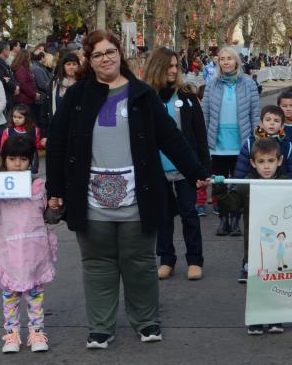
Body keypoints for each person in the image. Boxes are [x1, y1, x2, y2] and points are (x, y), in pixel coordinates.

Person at [45, 30, 209, 349]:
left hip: (138, 197)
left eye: (111, 52)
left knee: (139, 264)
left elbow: (171, 138)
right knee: (97, 265)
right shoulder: (77, 97)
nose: (106, 58)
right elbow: (58, 144)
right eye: (98, 54)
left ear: (120, 54)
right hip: (90, 199)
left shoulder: (142, 94)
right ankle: (100, 328)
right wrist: (55, 188)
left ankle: (147, 322)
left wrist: (196, 172)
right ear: (89, 61)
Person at [0, 135, 60, 353]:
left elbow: (51, 218)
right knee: (10, 296)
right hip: (9, 253)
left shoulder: (39, 187)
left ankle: (36, 332)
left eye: (23, 159)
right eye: (12, 158)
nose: (17, 164)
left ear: (31, 161)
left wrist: (54, 206)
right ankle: (12, 334)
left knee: (35, 295)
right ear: (3, 160)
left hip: (34, 253)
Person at [142, 47, 210, 282]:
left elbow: (200, 135)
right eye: (168, 66)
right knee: (163, 216)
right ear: (157, 67)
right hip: (156, 168)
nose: (173, 71)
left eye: (175, 66)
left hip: (185, 169)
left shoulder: (187, 96)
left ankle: (194, 260)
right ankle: (166, 260)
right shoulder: (145, 97)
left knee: (189, 213)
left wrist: (203, 169)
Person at [212, 137, 290, 334]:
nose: (266, 167)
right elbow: (230, 205)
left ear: (279, 161)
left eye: (271, 161)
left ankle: (275, 318)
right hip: (254, 246)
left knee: (276, 281)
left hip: (280, 246)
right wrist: (220, 189)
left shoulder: (287, 183)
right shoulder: (246, 183)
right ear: (253, 163)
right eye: (261, 162)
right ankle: (256, 319)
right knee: (256, 283)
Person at [203, 46, 260, 237]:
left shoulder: (249, 84)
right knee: (219, 184)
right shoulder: (211, 85)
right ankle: (223, 221)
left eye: (229, 58)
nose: (226, 62)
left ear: (237, 61)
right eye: (222, 59)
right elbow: (206, 114)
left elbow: (255, 114)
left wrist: (255, 139)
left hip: (241, 143)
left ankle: (235, 221)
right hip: (217, 144)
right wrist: (204, 139)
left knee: (238, 185)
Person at [0, 104, 46, 173]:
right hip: (12, 164)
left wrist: (42, 144)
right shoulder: (8, 131)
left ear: (27, 118)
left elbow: (37, 145)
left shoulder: (34, 130)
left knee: (29, 181)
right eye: (14, 117)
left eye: (20, 117)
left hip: (30, 162)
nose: (16, 119)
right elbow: (3, 148)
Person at [47, 52, 80, 120]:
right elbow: (47, 105)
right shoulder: (55, 83)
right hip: (57, 122)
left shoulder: (82, 84)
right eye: (68, 64)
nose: (71, 67)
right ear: (63, 66)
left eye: (74, 64)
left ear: (78, 66)